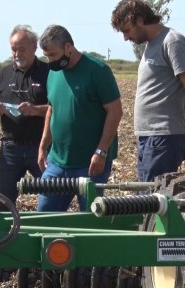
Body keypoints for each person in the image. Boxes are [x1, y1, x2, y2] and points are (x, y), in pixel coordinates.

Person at [111, 0, 185, 182]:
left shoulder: (172, 41)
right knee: (147, 199)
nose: (125, 38)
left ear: (139, 19)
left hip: (164, 136)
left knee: (153, 201)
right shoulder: (150, 46)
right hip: (149, 137)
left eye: (127, 30)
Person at [37, 24, 123, 212]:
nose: (50, 60)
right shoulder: (54, 73)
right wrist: (43, 146)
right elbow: (51, 110)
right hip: (57, 162)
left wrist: (101, 152)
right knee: (44, 217)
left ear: (68, 47)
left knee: (89, 221)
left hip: (90, 164)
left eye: (53, 54)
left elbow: (115, 112)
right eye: (46, 56)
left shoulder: (97, 70)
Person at [0, 25, 49, 211]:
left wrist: (36, 110)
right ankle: (6, 237)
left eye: (22, 49)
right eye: (14, 49)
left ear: (34, 47)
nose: (17, 53)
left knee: (49, 197)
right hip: (10, 147)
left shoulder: (48, 73)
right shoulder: (3, 74)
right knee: (4, 199)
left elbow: (60, 108)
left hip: (41, 147)